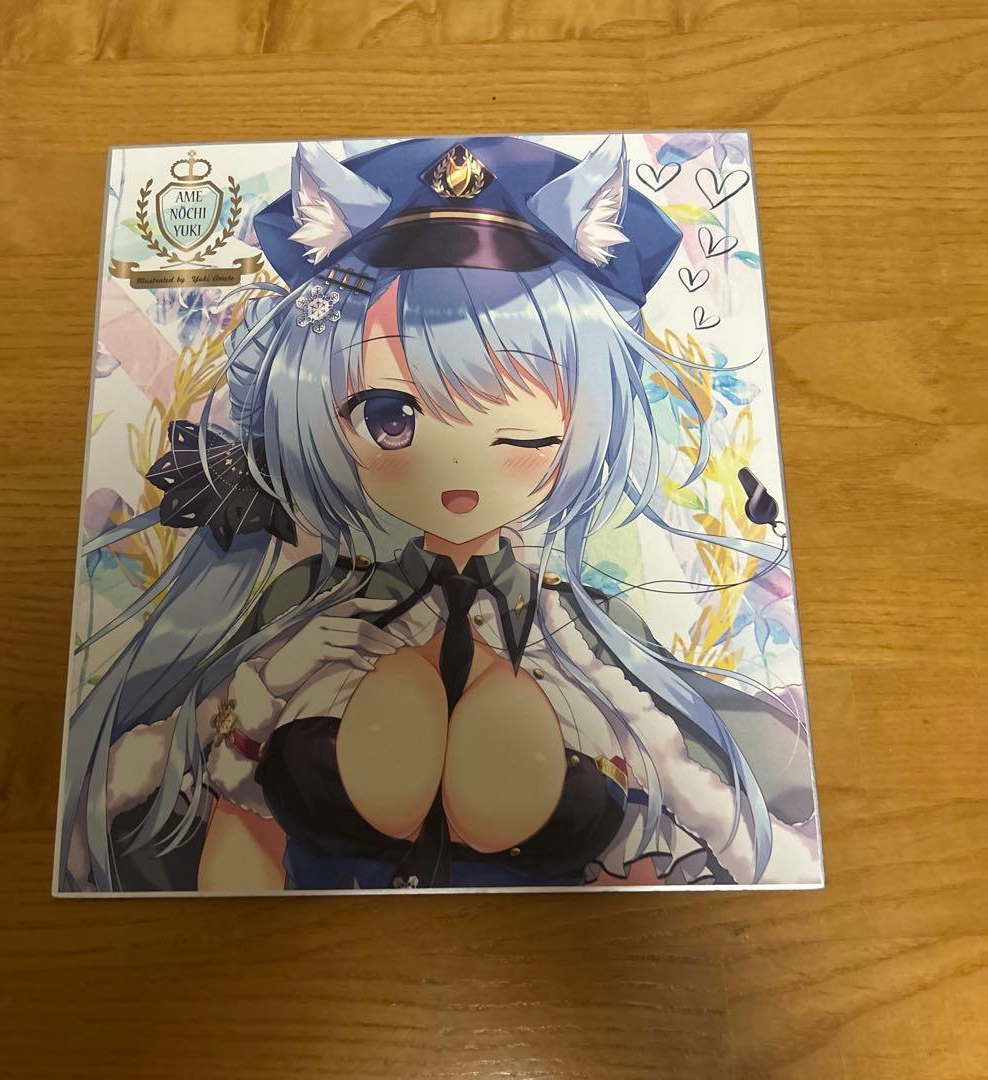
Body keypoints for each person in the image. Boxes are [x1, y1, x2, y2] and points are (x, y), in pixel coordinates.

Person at [57, 136, 819, 893]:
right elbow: (234, 830)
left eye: (519, 435)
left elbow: (643, 863)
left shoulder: (586, 639)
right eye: (392, 417)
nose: (457, 470)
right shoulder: (309, 619)